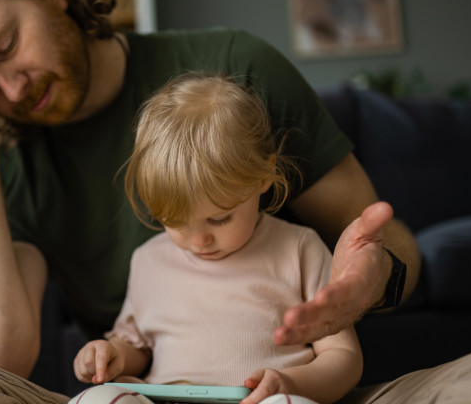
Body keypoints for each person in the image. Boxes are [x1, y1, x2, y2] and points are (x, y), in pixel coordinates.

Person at [0, 0, 471, 403]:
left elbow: (387, 243)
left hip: (285, 394)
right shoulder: (7, 155)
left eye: (4, 47)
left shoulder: (237, 67)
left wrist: (363, 281)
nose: (12, 89)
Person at [71, 73, 363, 404]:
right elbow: (135, 347)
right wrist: (111, 355)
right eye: (175, 222)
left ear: (265, 175)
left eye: (219, 218)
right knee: (96, 399)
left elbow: (344, 356)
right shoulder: (147, 260)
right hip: (167, 399)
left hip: (261, 400)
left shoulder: (299, 249)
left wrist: (290, 384)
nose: (199, 241)